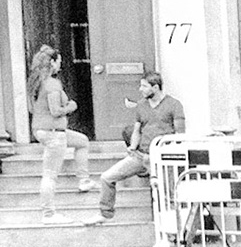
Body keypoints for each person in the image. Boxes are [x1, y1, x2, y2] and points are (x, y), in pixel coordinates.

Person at [93, 70, 185, 222]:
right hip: (142, 155)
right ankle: (105, 213)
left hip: (163, 157)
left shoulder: (174, 105)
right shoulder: (141, 106)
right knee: (107, 177)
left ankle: (170, 231)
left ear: (155, 88)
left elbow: (180, 135)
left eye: (144, 86)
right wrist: (133, 147)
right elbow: (137, 130)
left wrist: (164, 152)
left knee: (167, 195)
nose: (140, 89)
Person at [26, 45, 94, 222]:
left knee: (82, 141)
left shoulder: (36, 81)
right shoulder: (52, 83)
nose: (60, 65)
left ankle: (84, 179)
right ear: (52, 63)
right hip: (54, 132)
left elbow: (32, 108)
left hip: (42, 130)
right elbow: (56, 110)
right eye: (59, 62)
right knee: (49, 174)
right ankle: (48, 213)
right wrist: (71, 106)